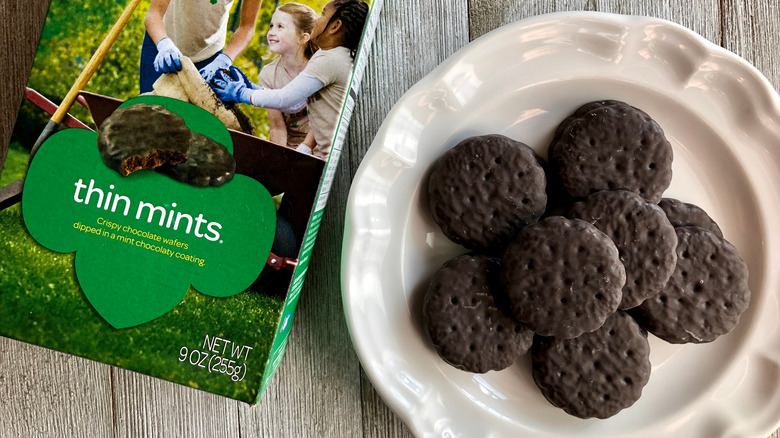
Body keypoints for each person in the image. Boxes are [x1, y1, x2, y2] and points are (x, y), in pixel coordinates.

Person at [213, 0, 369, 160]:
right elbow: (295, 102)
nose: (316, 20)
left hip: (333, 161)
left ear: (335, 26)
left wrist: (241, 93)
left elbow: (285, 99)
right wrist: (253, 88)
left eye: (322, 14)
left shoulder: (329, 60)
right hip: (329, 158)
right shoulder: (334, 57)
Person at [139, 0, 263, 94]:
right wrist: (164, 44)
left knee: (193, 122)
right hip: (162, 44)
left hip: (210, 57)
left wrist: (225, 59)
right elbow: (153, 15)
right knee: (151, 114)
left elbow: (247, 27)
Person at [259, 3, 317, 149]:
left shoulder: (319, 69)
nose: (272, 32)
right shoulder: (268, 75)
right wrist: (279, 159)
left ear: (303, 38)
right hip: (290, 147)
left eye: (280, 27)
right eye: (271, 26)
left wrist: (306, 149)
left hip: (319, 146)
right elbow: (277, 126)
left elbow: (325, 120)